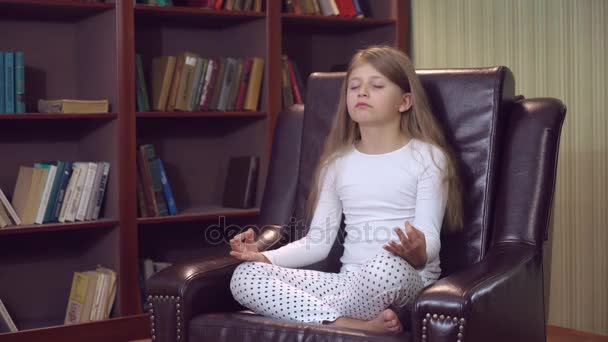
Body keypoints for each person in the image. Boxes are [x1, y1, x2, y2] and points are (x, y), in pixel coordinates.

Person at [228, 45, 462, 334]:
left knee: (385, 267)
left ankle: (304, 308)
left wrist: (417, 252)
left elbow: (429, 236)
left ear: (404, 101)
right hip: (347, 282)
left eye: (376, 85)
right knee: (245, 276)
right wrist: (263, 257)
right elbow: (317, 242)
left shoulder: (428, 158)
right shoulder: (336, 164)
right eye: (354, 86)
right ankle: (348, 323)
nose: (362, 92)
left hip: (403, 276)